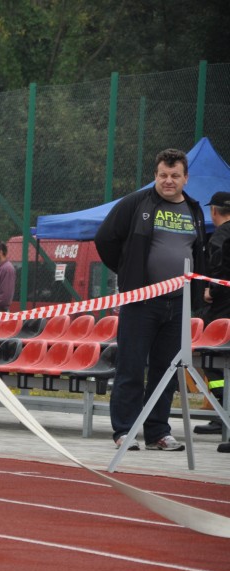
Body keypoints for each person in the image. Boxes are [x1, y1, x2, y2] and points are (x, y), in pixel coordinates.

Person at [94, 148, 206, 453]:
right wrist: (130, 272)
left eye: (175, 176)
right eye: (163, 175)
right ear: (155, 176)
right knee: (131, 368)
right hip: (142, 302)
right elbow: (104, 238)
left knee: (166, 370)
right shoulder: (136, 202)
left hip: (178, 304)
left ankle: (158, 431)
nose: (168, 181)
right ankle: (124, 432)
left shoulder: (195, 209)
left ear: (185, 177)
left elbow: (198, 251)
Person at [192, 191, 230, 451]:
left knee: (212, 359)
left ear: (213, 211)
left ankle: (222, 410)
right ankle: (222, 413)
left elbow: (219, 268)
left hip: (222, 308)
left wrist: (210, 290)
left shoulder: (221, 236)